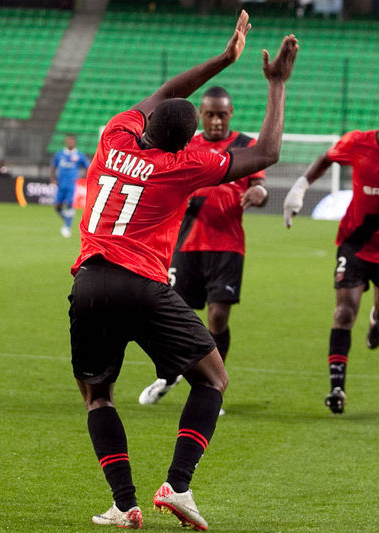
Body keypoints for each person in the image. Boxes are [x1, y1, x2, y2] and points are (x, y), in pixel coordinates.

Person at [68, 11, 298, 530]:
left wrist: (223, 58)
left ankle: (124, 504)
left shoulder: (115, 135)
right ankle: (179, 484)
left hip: (87, 282)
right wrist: (277, 84)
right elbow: (267, 152)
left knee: (98, 395)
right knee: (212, 378)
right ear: (185, 142)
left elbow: (166, 90)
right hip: (142, 284)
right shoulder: (183, 165)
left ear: (146, 125)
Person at [283, 100, 379, 415]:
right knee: (344, 312)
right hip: (355, 241)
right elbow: (326, 158)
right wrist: (300, 188)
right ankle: (337, 387)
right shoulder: (358, 141)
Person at [138, 86, 268, 411]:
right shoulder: (187, 143)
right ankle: (170, 374)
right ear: (201, 114)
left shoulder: (244, 145)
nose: (215, 121)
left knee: (218, 316)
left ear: (231, 113)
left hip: (227, 245)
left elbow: (259, 184)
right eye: (210, 115)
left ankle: (213, 387)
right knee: (174, 317)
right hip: (185, 243)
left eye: (222, 115)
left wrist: (260, 194)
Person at [50, 133, 91, 238]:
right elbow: (53, 167)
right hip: (60, 184)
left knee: (69, 205)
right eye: (68, 140)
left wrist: (81, 177)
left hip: (71, 185)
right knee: (57, 207)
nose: (69, 142)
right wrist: (53, 179)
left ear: (74, 142)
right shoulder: (59, 154)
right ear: (66, 141)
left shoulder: (79, 155)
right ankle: (67, 219)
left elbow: (89, 166)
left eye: (71, 141)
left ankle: (67, 227)